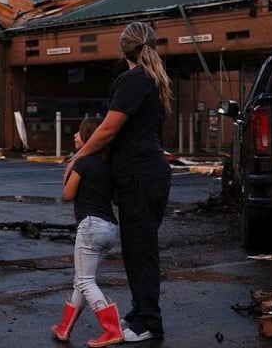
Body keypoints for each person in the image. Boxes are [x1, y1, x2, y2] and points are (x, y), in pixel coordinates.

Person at [63, 21, 174, 343]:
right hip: (144, 174)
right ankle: (141, 313)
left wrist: (77, 157)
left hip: (142, 176)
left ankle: (149, 322)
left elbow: (109, 129)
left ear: (124, 48)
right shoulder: (149, 78)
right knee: (138, 249)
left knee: (141, 251)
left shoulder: (134, 79)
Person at [51, 117, 123, 347]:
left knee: (85, 281)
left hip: (90, 226)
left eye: (79, 133)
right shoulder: (109, 165)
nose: (74, 136)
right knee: (80, 280)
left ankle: (111, 330)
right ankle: (64, 328)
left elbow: (68, 195)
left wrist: (70, 173)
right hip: (109, 228)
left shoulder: (83, 163)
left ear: (90, 138)